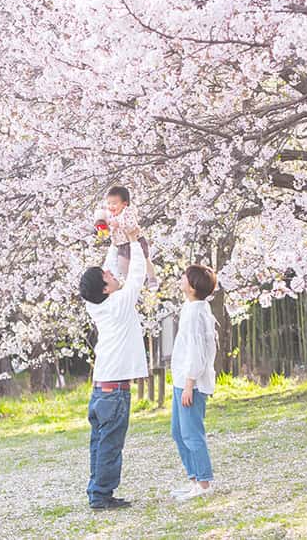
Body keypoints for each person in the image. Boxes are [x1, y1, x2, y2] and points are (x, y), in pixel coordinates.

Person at [78, 223, 150, 510]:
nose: (112, 273)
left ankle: (97, 491)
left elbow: (107, 268)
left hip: (101, 390)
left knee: (99, 444)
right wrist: (133, 241)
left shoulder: (95, 304)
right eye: (109, 276)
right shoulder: (119, 303)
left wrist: (113, 236)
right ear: (106, 287)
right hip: (115, 391)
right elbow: (137, 274)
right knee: (109, 446)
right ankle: (101, 495)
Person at [169, 264, 218, 501]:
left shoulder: (198, 312)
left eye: (184, 277)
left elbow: (198, 352)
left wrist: (189, 384)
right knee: (178, 432)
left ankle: (204, 482)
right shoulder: (191, 307)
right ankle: (194, 480)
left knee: (191, 433)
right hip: (182, 379)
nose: (181, 280)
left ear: (192, 285)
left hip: (192, 383)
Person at [99, 186, 159, 289]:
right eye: (108, 203)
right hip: (122, 245)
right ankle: (131, 282)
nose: (111, 206)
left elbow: (131, 226)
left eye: (114, 203)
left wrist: (118, 223)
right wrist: (104, 228)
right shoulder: (111, 216)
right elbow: (111, 230)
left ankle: (152, 278)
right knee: (122, 265)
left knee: (145, 259)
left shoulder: (128, 211)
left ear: (124, 204)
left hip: (136, 240)